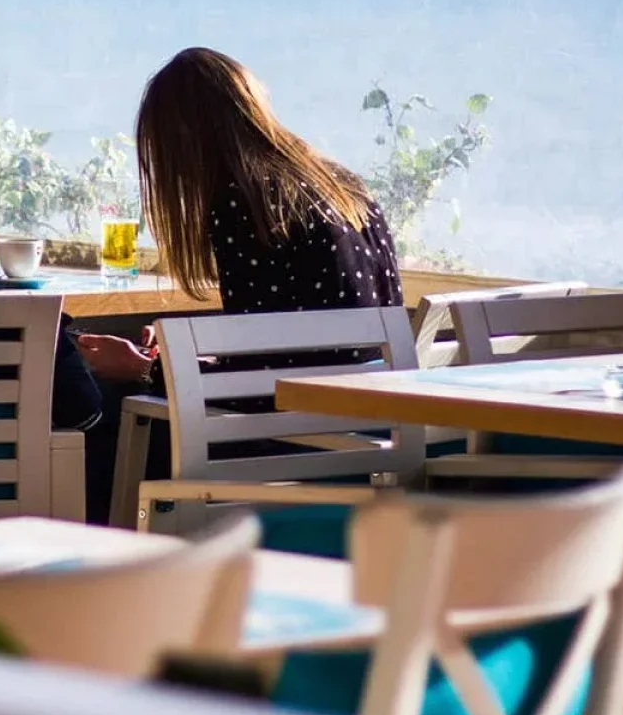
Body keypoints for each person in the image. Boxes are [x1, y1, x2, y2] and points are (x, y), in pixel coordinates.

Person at [72, 47, 405, 516]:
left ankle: (115, 563)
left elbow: (261, 388)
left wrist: (144, 372)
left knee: (105, 404)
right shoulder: (343, 187)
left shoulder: (245, 204)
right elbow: (288, 351)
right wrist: (186, 357)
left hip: (300, 437)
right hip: (370, 426)